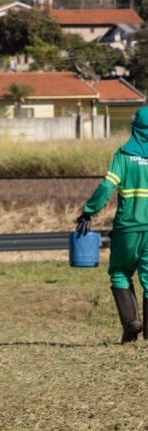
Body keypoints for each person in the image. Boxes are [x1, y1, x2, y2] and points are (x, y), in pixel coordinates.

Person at [77, 106, 148, 343]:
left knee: (119, 273)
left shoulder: (123, 155)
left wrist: (88, 212)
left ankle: (131, 323)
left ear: (135, 126)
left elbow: (107, 186)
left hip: (127, 227)